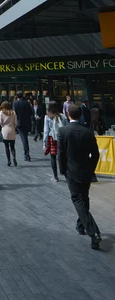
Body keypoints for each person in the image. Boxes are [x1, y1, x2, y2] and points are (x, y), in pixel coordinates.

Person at [58, 104, 101, 249]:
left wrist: (63, 170)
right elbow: (95, 154)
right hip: (86, 170)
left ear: (68, 114)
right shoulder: (88, 132)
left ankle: (93, 232)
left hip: (72, 171)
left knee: (77, 200)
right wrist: (91, 169)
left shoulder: (63, 131)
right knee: (84, 198)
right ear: (80, 114)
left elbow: (61, 154)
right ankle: (80, 225)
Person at [43, 101, 68, 182]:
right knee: (64, 156)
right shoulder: (63, 116)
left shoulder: (47, 117)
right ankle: (66, 174)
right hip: (61, 137)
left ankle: (55, 176)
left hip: (52, 138)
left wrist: (44, 142)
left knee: (53, 157)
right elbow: (67, 127)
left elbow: (46, 130)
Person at [14, 91, 33, 161]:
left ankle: (27, 155)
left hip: (19, 123)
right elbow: (31, 113)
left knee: (24, 139)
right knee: (25, 137)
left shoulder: (15, 103)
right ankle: (27, 154)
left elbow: (14, 113)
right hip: (27, 122)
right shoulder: (27, 103)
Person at [0, 101, 17, 166]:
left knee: (6, 147)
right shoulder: (13, 112)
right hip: (12, 130)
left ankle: (9, 161)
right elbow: (15, 122)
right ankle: (14, 157)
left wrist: (3, 127)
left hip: (5, 130)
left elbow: (0, 122)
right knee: (12, 146)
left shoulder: (1, 112)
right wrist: (14, 127)